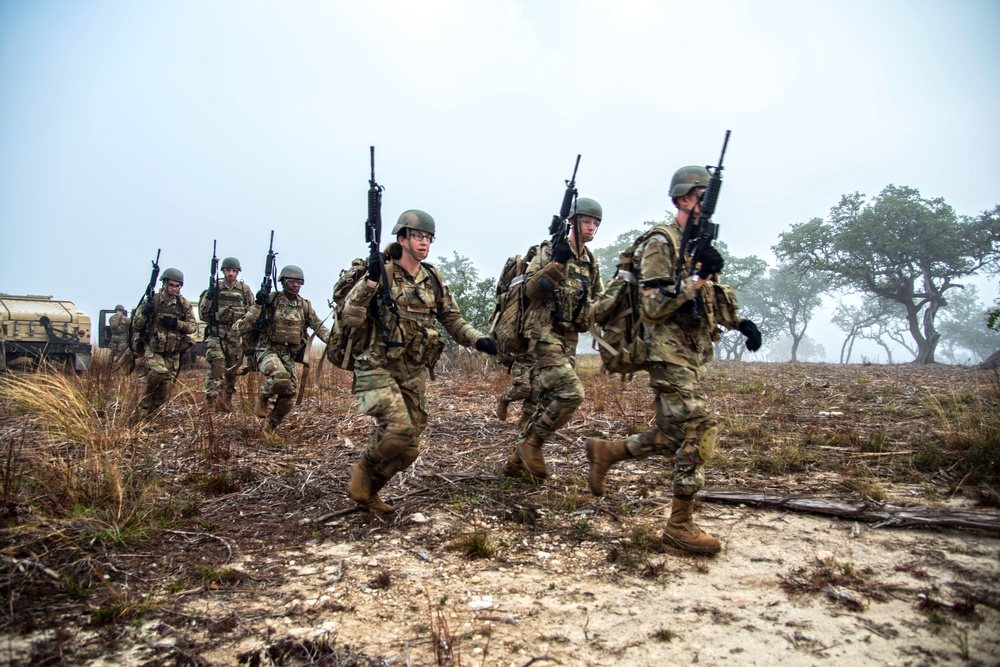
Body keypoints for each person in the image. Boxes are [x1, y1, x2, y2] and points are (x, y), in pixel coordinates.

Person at [585, 166, 762, 554]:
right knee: (700, 427)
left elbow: (707, 298)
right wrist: (695, 280)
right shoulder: (660, 242)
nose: (705, 205)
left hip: (688, 351)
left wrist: (740, 322)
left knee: (670, 437)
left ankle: (607, 452)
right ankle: (679, 525)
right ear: (683, 199)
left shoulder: (695, 243)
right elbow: (651, 306)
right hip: (665, 352)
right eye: (700, 196)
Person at [344, 210, 498, 512]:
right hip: (376, 364)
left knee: (409, 449)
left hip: (412, 368)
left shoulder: (432, 278)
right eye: (418, 236)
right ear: (401, 238)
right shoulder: (382, 272)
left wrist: (477, 339)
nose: (424, 242)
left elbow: (451, 318)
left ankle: (370, 492)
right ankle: (364, 466)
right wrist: (371, 283)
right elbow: (351, 316)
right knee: (397, 431)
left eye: (428, 237)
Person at [503, 197, 604, 481]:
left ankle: (515, 462)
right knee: (572, 393)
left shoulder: (590, 261)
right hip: (543, 334)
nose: (591, 227)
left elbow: (599, 299)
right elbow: (532, 290)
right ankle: (531, 445)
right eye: (586, 221)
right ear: (572, 222)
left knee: (546, 401)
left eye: (595, 223)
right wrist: (558, 262)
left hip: (568, 337)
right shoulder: (549, 251)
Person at [239, 265, 330, 435]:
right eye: (291, 281)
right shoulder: (271, 300)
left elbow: (319, 327)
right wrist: (258, 304)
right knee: (280, 377)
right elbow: (246, 324)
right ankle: (263, 397)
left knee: (289, 394)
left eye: (299, 282)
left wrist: (335, 342)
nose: (296, 285)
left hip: (287, 354)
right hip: (267, 349)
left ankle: (270, 426)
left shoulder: (304, 306)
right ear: (282, 282)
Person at [130, 268, 198, 415]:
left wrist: (176, 324)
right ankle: (143, 407)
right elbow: (136, 325)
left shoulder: (183, 305)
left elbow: (192, 327)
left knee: (165, 385)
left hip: (173, 350)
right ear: (164, 283)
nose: (174, 289)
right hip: (153, 347)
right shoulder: (152, 302)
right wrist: (145, 313)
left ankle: (154, 414)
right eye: (171, 285)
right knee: (158, 372)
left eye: (177, 286)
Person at [199, 257, 254, 412]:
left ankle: (225, 404)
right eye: (228, 270)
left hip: (236, 337)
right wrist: (209, 298)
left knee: (231, 372)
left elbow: (252, 313)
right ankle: (211, 402)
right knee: (217, 365)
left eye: (234, 271)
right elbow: (203, 315)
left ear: (237, 272)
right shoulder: (214, 288)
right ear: (223, 271)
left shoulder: (244, 290)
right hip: (217, 335)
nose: (231, 273)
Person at [495, 358, 538, 429]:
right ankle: (503, 399)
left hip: (539, 361)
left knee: (537, 390)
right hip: (522, 360)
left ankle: (525, 420)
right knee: (523, 388)